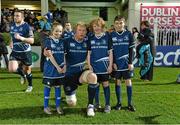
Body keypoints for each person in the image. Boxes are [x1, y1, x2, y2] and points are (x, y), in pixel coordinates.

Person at [45, 22, 98, 117]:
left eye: (84, 30)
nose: (82, 32)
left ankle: (90, 106)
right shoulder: (66, 41)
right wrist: (45, 52)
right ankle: (67, 97)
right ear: (74, 31)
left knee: (93, 77)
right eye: (79, 30)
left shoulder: (87, 42)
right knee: (72, 103)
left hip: (81, 73)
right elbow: (54, 46)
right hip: (68, 75)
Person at [87, 17, 113, 113]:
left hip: (105, 66)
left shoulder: (107, 36)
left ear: (101, 26)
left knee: (106, 84)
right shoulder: (91, 38)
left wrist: (110, 65)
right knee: (95, 84)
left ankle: (107, 104)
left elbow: (110, 53)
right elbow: (88, 53)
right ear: (92, 28)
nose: (96, 28)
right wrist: (89, 65)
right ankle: (96, 103)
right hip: (94, 66)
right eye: (94, 26)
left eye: (98, 26)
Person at [110, 15, 136, 111]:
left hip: (126, 63)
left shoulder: (129, 34)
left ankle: (130, 103)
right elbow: (111, 51)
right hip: (116, 64)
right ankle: (119, 103)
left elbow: (131, 50)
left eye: (121, 23)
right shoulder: (111, 35)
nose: (119, 25)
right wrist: (113, 62)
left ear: (124, 23)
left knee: (128, 81)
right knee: (117, 82)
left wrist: (130, 62)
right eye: (117, 23)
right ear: (114, 24)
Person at [8, 10, 34, 92]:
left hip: (26, 52)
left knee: (27, 71)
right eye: (14, 15)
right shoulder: (12, 26)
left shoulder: (27, 27)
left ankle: (30, 86)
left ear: (22, 17)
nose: (15, 17)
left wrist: (21, 38)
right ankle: (22, 75)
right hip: (15, 51)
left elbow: (32, 41)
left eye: (17, 16)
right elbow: (12, 36)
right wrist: (11, 41)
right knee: (11, 69)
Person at [43, 22, 65, 115]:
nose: (58, 33)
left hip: (60, 69)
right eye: (56, 31)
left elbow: (64, 54)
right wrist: (58, 67)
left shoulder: (62, 41)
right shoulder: (48, 40)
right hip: (50, 69)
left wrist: (64, 66)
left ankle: (58, 106)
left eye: (60, 31)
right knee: (48, 87)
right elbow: (50, 56)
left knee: (58, 87)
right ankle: (46, 106)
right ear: (52, 31)